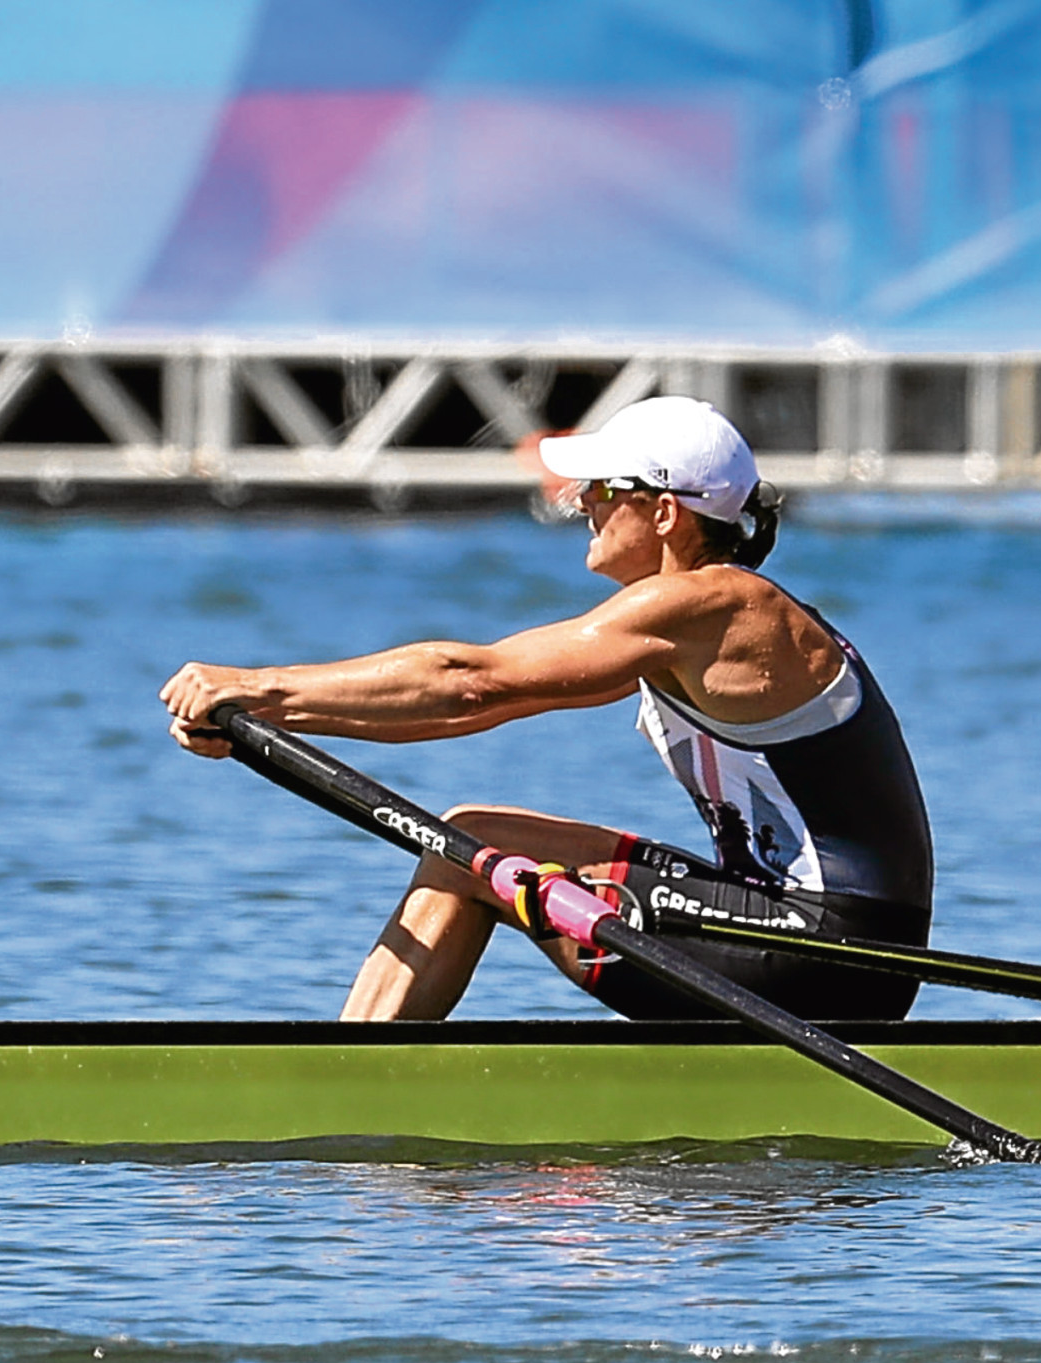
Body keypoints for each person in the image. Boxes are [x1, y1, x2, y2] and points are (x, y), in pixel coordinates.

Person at [159, 396, 935, 1023]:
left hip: (834, 958)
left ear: (666, 512)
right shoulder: (689, 628)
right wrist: (274, 721)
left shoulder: (721, 607)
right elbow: (466, 708)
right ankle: (357, 1065)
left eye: (602, 490)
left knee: (474, 844)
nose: (581, 505)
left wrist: (261, 690)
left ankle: (350, 1084)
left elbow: (471, 681)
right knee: (467, 840)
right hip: (808, 943)